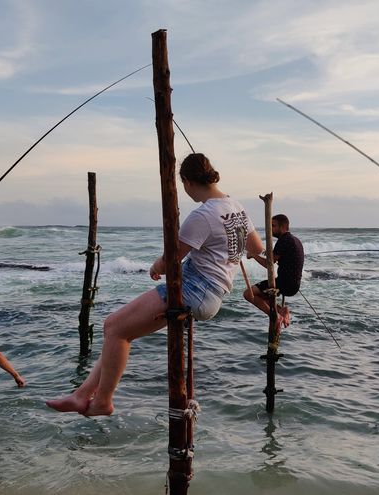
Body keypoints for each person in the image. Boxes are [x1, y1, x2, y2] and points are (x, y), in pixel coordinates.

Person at [47, 153, 263, 417]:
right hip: (214, 293)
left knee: (113, 327)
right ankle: (81, 396)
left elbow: (172, 258)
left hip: (194, 289)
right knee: (117, 333)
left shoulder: (204, 214)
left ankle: (103, 401)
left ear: (186, 181)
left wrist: (154, 267)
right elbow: (256, 247)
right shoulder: (236, 207)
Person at [244, 214, 304, 330]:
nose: (271, 229)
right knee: (261, 295)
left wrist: (253, 255)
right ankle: (281, 310)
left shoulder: (283, 240)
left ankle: (275, 315)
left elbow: (268, 265)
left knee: (248, 294)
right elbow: (275, 257)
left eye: (273, 226)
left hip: (284, 284)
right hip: (294, 285)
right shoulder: (295, 240)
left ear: (283, 226)